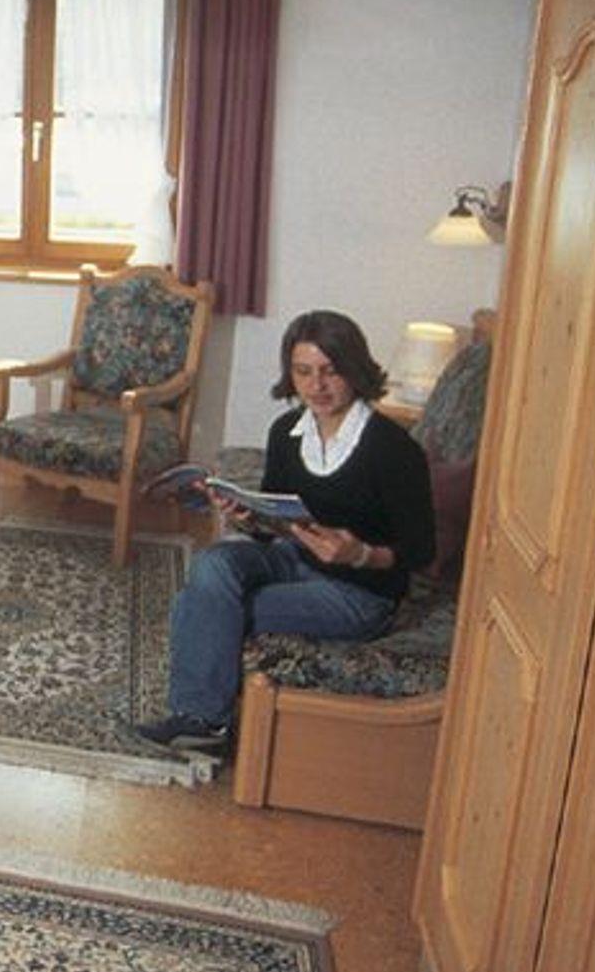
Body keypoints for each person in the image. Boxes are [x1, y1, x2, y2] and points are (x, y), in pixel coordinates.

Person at [136, 310, 435, 754]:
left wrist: (360, 555)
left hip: (357, 593)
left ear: (355, 370)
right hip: (291, 557)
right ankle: (204, 721)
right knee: (213, 565)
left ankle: (204, 723)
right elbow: (272, 524)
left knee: (201, 605)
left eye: (331, 371)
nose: (317, 386)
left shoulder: (393, 449)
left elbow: (423, 549)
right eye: (303, 372)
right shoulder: (286, 433)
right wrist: (243, 515)